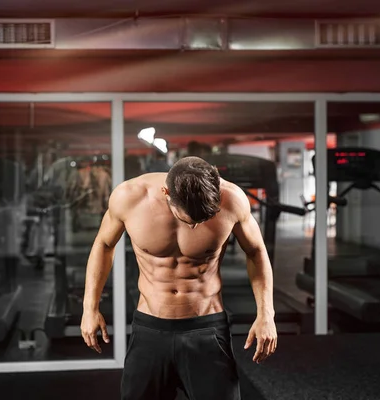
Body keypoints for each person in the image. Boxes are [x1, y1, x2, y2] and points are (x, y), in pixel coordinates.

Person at [80, 156, 277, 400]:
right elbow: (104, 244)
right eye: (188, 220)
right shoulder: (129, 197)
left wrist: (266, 313)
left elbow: (256, 251)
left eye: (202, 220)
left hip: (206, 328)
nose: (195, 228)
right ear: (166, 193)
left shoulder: (232, 200)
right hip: (150, 328)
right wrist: (90, 307)